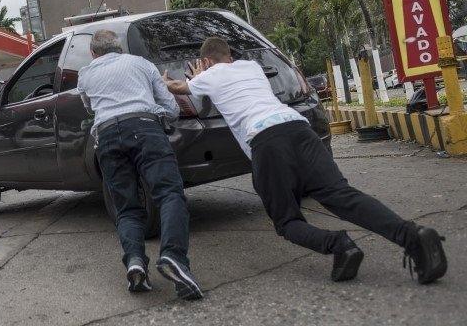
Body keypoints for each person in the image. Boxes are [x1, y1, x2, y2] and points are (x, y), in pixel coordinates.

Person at [163, 36, 447, 284]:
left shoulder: (209, 76)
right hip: (300, 130)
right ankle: (414, 235)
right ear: (230, 55)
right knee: (342, 196)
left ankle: (338, 245)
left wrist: (185, 79)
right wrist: (201, 76)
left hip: (267, 142)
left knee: (286, 221)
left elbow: (178, 88)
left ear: (206, 60)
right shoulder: (250, 67)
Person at [78, 29, 203, 300]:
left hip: (107, 137)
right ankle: (173, 257)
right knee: (169, 194)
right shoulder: (141, 64)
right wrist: (155, 113)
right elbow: (171, 107)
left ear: (93, 53)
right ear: (119, 48)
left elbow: (89, 108)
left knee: (126, 208)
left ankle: (135, 261)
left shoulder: (85, 74)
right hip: (145, 130)